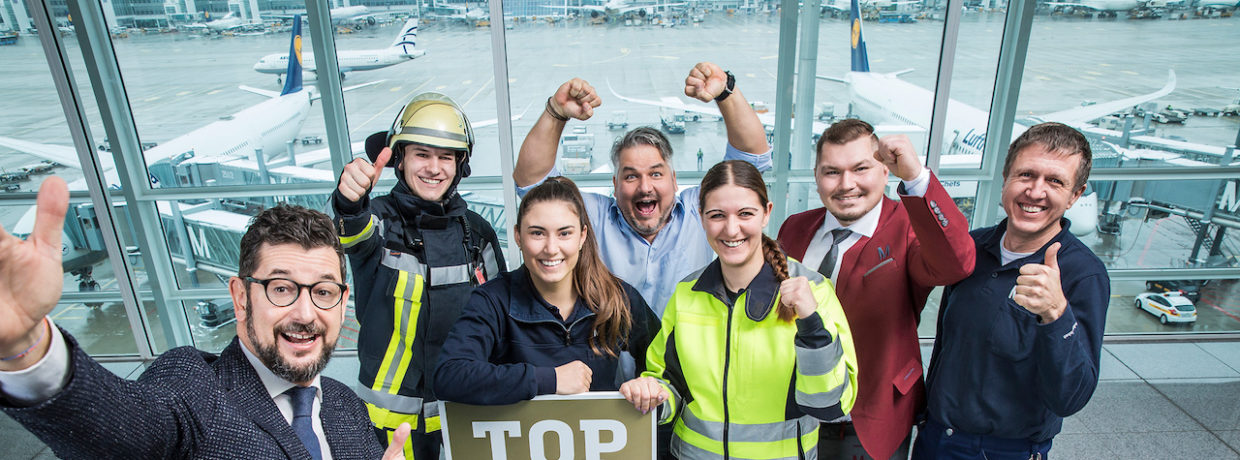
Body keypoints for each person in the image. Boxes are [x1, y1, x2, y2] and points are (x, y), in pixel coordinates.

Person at [0, 177, 406, 459]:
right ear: (241, 296)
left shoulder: (345, 405)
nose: (305, 314)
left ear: (341, 300)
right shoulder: (194, 385)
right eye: (281, 289)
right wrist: (29, 346)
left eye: (323, 292)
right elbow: (128, 433)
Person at [620, 160, 859, 460]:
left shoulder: (814, 291)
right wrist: (651, 396)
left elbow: (831, 405)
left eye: (745, 214)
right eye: (717, 215)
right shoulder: (687, 294)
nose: (731, 229)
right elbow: (668, 384)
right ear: (701, 218)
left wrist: (811, 323)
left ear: (766, 213)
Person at [777, 120, 975, 460]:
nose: (846, 184)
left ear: (886, 170)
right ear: (816, 175)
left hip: (869, 412)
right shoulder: (796, 227)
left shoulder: (911, 228)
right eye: (832, 172)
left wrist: (916, 179)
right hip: (796, 407)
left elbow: (956, 264)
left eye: (860, 169)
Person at [914, 122, 1110, 460]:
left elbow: (1070, 398)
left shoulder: (1083, 274)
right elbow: (947, 344)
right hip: (934, 439)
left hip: (1004, 451)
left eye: (1055, 181)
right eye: (1026, 175)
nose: (1035, 192)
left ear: (1075, 195)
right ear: (1005, 178)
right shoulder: (973, 246)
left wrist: (1056, 314)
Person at [513, 62, 772, 317]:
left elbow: (750, 162)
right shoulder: (594, 217)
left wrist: (726, 91)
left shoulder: (701, 211)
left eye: (656, 174)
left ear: (674, 180)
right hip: (609, 358)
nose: (645, 187)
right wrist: (555, 112)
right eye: (631, 176)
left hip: (686, 357)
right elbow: (533, 184)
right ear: (614, 185)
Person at [332, 92, 506, 458]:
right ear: (400, 158)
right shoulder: (378, 222)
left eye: (446, 157)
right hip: (390, 421)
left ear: (460, 164)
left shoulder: (478, 234)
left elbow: (501, 321)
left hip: (464, 409)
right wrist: (349, 202)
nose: (434, 168)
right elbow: (352, 230)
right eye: (422, 155)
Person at [433, 177, 660, 404]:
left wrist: (646, 384)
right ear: (518, 237)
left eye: (564, 233)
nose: (551, 249)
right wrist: (549, 380)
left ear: (582, 236)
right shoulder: (493, 301)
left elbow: (667, 368)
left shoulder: (617, 298)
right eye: (537, 233)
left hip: (597, 437)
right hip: (518, 438)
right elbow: (449, 375)